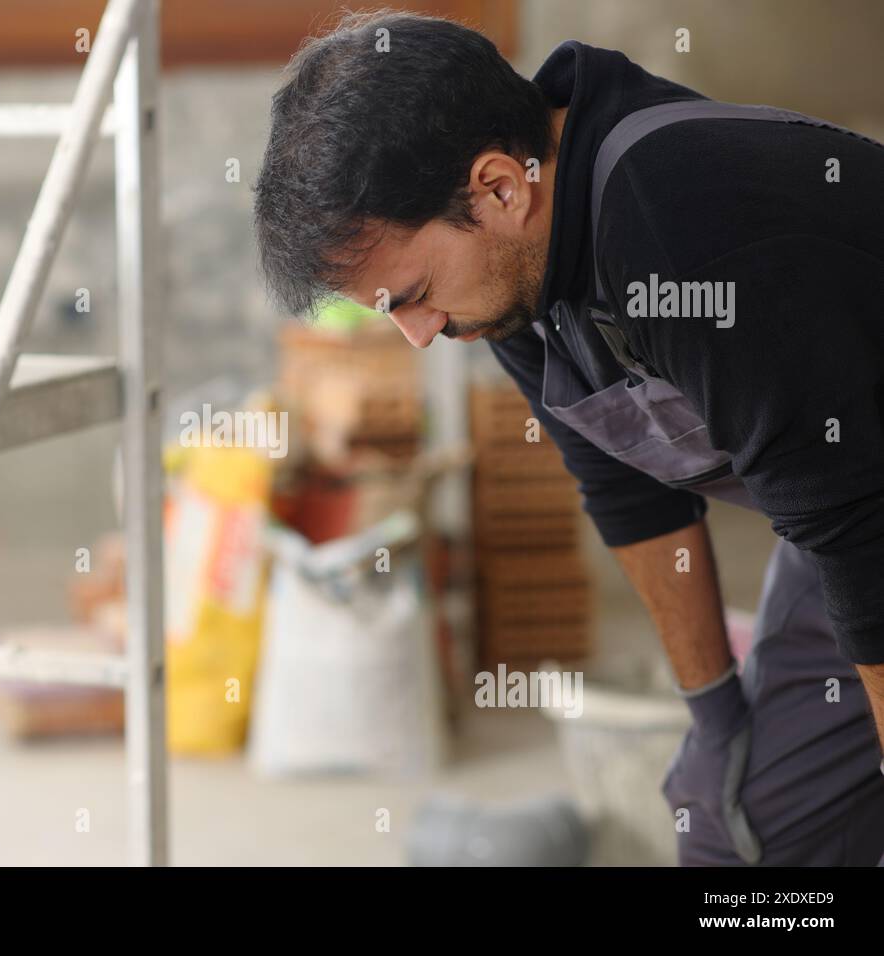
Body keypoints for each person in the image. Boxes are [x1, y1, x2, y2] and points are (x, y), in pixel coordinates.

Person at [252, 10, 884, 865]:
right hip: (851, 508)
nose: (417, 330)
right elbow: (627, 481)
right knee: (731, 818)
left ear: (501, 187)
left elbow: (859, 541)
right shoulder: (513, 270)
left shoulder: (678, 224)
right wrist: (714, 713)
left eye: (411, 293)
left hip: (861, 521)